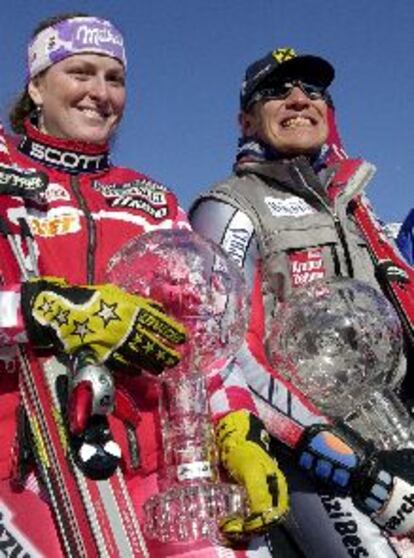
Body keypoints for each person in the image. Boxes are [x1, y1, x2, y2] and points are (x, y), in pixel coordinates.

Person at [0, 14, 288, 557]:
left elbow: (203, 341)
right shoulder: (3, 178)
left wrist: (238, 433)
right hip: (23, 470)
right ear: (37, 85)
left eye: (115, 77)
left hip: (152, 468)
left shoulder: (154, 202)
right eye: (80, 72)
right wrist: (48, 311)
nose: (100, 92)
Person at [190, 47, 414, 557]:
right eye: (276, 92)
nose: (298, 99)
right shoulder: (228, 206)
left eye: (313, 92)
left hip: (392, 430)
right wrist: (347, 463)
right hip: (307, 453)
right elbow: (225, 355)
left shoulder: (355, 202)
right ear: (245, 118)